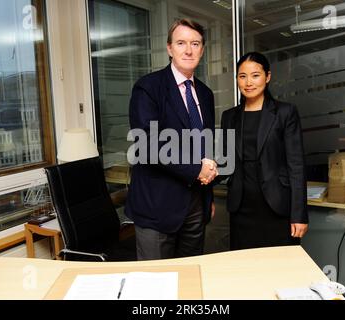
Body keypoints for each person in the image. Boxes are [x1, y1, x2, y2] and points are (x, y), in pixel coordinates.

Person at [125, 18, 217, 260]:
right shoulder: (148, 88)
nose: (188, 50)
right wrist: (197, 169)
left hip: (196, 204)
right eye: (181, 43)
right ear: (169, 48)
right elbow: (147, 145)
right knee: (156, 285)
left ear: (202, 49)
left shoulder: (206, 94)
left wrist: (208, 197)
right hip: (157, 205)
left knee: (190, 277)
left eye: (195, 43)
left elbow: (204, 143)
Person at [220, 52, 308, 250]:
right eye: (242, 76)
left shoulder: (285, 112)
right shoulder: (229, 117)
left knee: (280, 272)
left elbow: (296, 166)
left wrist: (299, 214)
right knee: (246, 271)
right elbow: (225, 161)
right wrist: (201, 172)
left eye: (255, 75)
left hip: (277, 208)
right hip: (241, 210)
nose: (248, 82)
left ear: (267, 77)